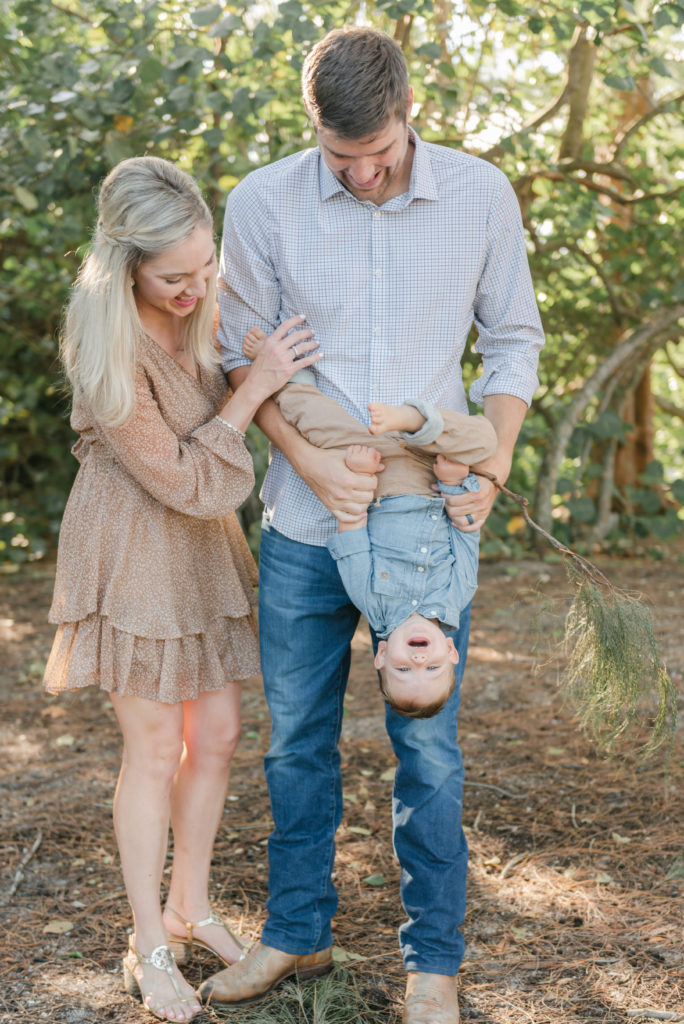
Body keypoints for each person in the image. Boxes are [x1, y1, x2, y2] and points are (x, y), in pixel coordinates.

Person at [201, 26, 544, 1024]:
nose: (358, 173)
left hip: (432, 528)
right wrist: (305, 460)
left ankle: (434, 961)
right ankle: (297, 930)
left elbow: (514, 338)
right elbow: (237, 352)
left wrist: (496, 458)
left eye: (377, 153)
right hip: (306, 526)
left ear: (409, 112)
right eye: (338, 156)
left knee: (427, 748)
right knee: (294, 740)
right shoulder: (263, 200)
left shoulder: (480, 194)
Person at [42, 156, 319, 1023]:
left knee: (222, 730)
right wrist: (257, 388)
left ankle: (191, 906)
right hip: (133, 541)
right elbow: (187, 479)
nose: (198, 287)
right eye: (176, 277)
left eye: (208, 267)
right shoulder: (107, 345)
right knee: (155, 748)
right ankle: (149, 946)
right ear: (126, 266)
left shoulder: (201, 303)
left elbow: (211, 477)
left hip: (199, 542)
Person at [240, 327, 498, 717]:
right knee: (488, 442)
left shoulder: (371, 600)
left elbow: (351, 527)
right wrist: (453, 482)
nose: (417, 662)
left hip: (379, 472)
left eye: (403, 669)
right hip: (431, 462)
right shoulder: (457, 595)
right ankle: (412, 418)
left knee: (313, 421)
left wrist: (359, 473)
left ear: (381, 654)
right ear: (450, 651)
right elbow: (466, 528)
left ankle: (285, 371)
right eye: (432, 668)